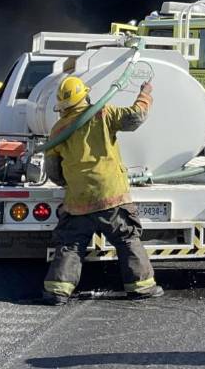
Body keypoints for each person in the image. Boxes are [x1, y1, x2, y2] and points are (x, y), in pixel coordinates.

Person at [42, 75, 163, 305]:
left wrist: (70, 183)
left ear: (62, 106)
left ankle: (57, 291)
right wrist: (145, 94)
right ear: (85, 96)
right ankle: (141, 287)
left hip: (78, 200)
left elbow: (52, 170)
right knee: (127, 238)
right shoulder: (103, 113)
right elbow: (136, 117)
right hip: (111, 195)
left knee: (71, 244)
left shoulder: (58, 130)